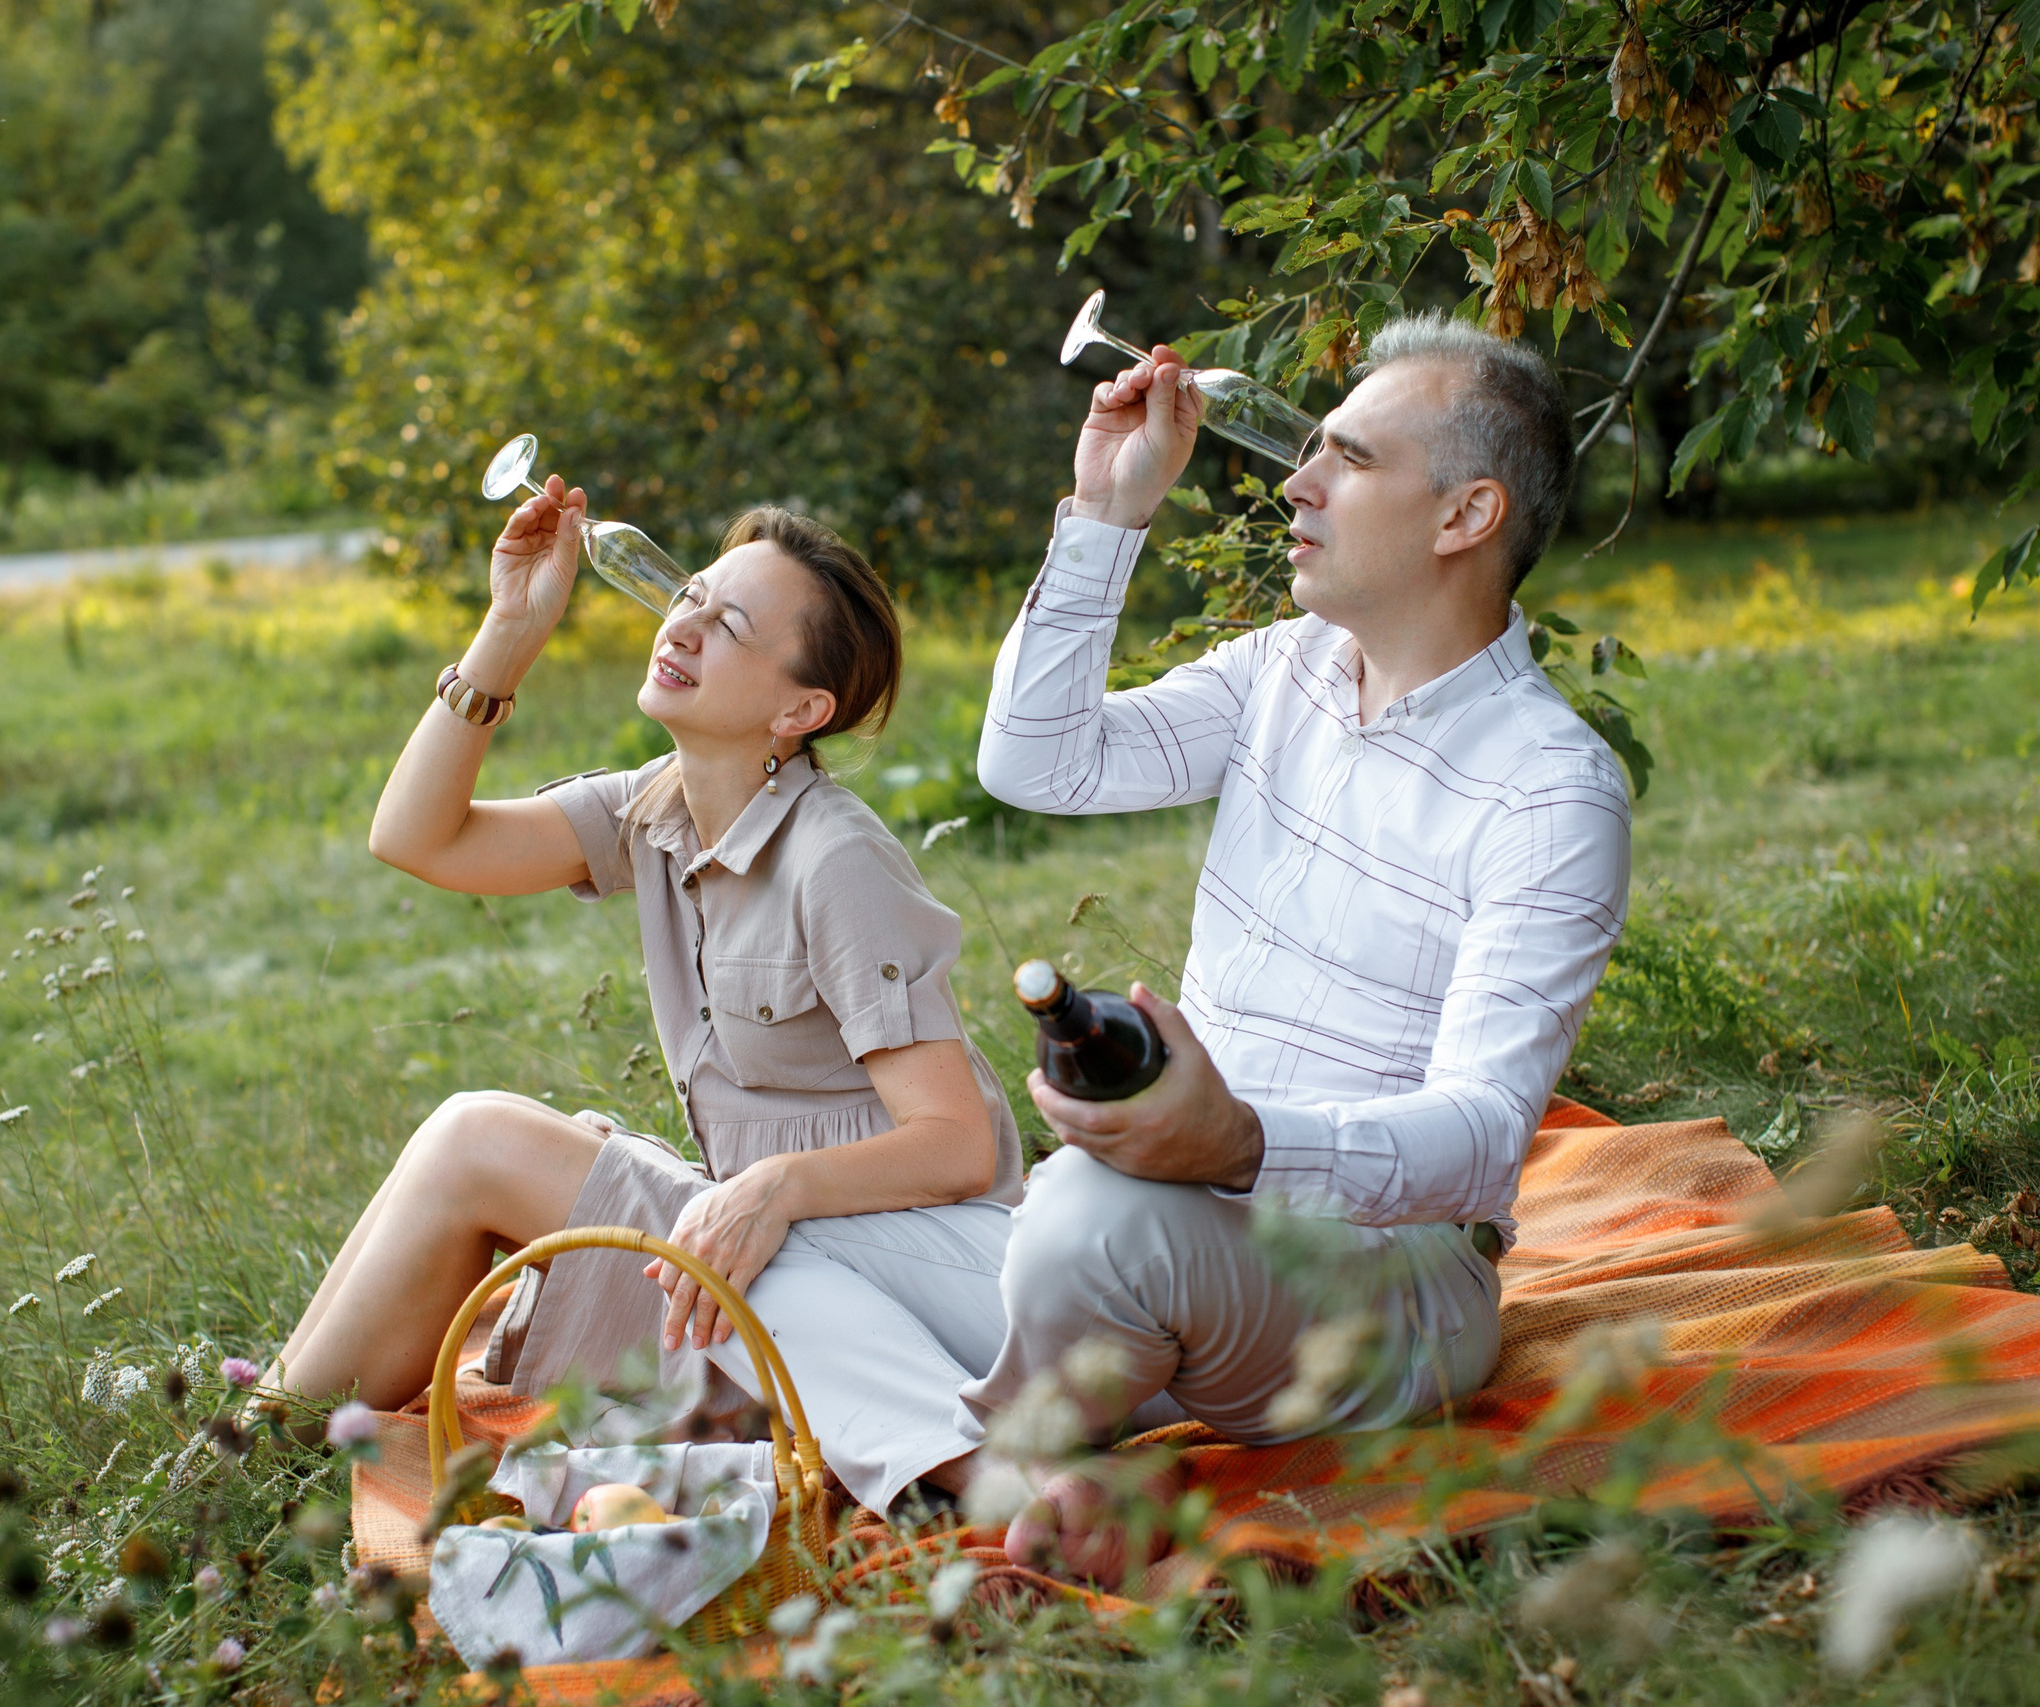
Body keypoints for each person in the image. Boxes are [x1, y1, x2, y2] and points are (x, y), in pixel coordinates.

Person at [952, 311, 1634, 1583]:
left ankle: (992, 1454)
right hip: (1189, 1218)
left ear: (1463, 518)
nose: (1294, 483)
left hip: (1391, 1286)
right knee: (849, 1240)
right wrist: (1106, 514)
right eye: (1308, 449)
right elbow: (1037, 762)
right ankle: (1032, 1446)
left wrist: (1243, 1145)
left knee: (1080, 1224)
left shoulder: (1550, 790)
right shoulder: (1286, 674)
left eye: (1350, 459)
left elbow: (1485, 1133)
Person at [274, 476, 1026, 1514]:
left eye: (730, 626)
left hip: (885, 1280)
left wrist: (775, 1188)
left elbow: (958, 1148)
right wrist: (508, 632)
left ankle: (259, 1442)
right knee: (469, 1144)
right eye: (690, 597)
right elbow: (415, 839)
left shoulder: (835, 859)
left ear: (798, 711)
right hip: (752, 1264)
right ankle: (271, 1426)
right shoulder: (656, 810)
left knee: (478, 1136)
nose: (683, 627)